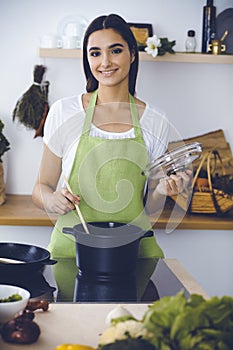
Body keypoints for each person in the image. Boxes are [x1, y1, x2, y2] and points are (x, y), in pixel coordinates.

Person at [32, 14, 191, 261]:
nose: (105, 62)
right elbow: (40, 189)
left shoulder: (155, 120)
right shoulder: (64, 111)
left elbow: (148, 208)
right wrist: (52, 201)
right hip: (70, 252)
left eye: (115, 50)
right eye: (95, 53)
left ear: (133, 54)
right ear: (87, 59)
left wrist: (162, 190)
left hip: (132, 253)